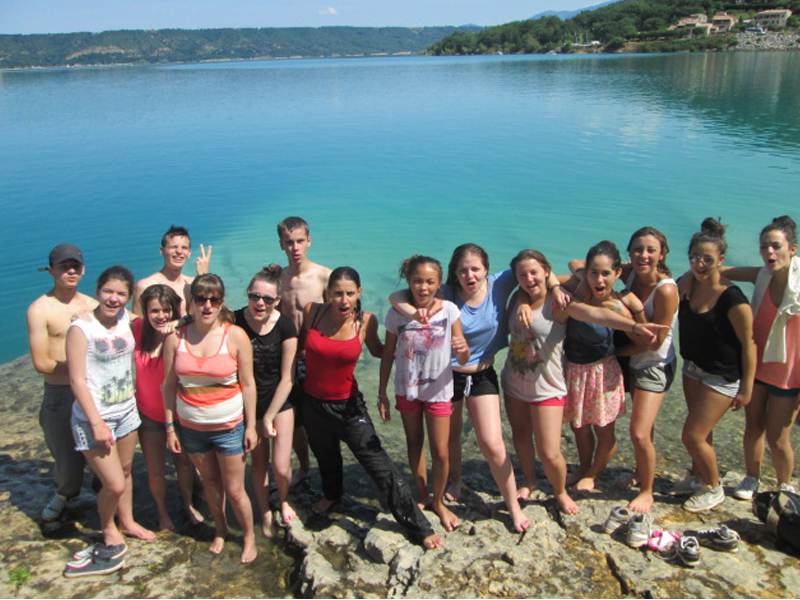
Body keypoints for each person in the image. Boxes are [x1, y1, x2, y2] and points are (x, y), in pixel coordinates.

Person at [505, 249, 662, 513]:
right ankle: (530, 481)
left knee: (550, 451)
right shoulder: (516, 298)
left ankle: (560, 491)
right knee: (521, 436)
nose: (529, 278)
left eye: (534, 272)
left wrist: (633, 326)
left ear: (547, 271)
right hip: (514, 381)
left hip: (549, 385)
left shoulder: (561, 302)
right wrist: (521, 299)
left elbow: (594, 314)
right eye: (522, 274)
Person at [390, 243, 531, 532]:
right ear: (454, 274)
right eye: (463, 270)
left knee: (492, 443)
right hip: (446, 376)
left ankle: (513, 508)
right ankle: (455, 480)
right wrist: (412, 313)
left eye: (475, 269)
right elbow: (399, 295)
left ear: (486, 270)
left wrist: (534, 298)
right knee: (449, 440)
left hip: (482, 375)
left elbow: (535, 271)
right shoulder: (447, 294)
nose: (470, 275)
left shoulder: (500, 284)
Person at [301, 267, 441, 549]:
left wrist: (406, 342)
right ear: (327, 294)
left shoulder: (366, 321)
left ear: (359, 294)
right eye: (337, 293)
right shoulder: (311, 312)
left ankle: (419, 526)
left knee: (380, 466)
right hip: (312, 402)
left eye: (349, 294)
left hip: (348, 407)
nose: (343, 300)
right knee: (326, 456)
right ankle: (332, 495)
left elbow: (378, 350)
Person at [64, 266, 154, 578]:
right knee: (113, 482)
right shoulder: (81, 328)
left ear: (129, 298)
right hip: (95, 417)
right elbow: (76, 380)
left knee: (127, 471)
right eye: (108, 292)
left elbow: (159, 322)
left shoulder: (128, 320)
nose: (113, 299)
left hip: (126, 410)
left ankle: (127, 521)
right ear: (98, 290)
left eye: (120, 294)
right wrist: (97, 422)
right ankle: (107, 527)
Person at [162, 274, 259, 563]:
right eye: (201, 299)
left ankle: (249, 536)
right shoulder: (175, 338)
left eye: (214, 299)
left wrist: (251, 425)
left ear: (221, 303)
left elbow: (248, 384)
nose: (207, 305)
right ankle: (220, 528)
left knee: (235, 489)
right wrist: (170, 427)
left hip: (229, 428)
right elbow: (168, 386)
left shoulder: (236, 336)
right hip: (191, 429)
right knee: (210, 484)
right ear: (190, 303)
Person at [378, 255, 469, 533]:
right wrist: (381, 392)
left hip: (440, 391)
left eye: (430, 282)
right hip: (408, 390)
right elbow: (388, 355)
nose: (423, 287)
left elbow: (463, 358)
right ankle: (421, 496)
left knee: (441, 452)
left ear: (439, 283)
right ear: (409, 282)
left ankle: (439, 501)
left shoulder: (450, 311)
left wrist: (462, 348)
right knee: (414, 444)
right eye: (418, 281)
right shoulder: (396, 314)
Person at [717, 216, 799, 499]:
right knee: (753, 427)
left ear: (793, 249)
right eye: (764, 247)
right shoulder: (760, 274)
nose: (769, 253)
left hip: (790, 375)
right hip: (757, 367)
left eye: (776, 246)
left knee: (778, 437)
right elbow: (720, 270)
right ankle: (752, 478)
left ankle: (784, 485)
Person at [678, 218, 756, 513]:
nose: (700, 264)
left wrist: (747, 388)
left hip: (722, 376)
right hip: (693, 368)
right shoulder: (688, 285)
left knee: (692, 435)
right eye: (695, 258)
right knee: (702, 431)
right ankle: (698, 476)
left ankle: (713, 487)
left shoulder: (732, 298)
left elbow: (749, 345)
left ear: (721, 260)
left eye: (707, 259)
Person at [562, 241, 648, 493]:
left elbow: (644, 343)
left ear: (618, 273)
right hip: (575, 370)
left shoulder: (619, 305)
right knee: (578, 426)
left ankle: (593, 473)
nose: (598, 279)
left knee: (603, 429)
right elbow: (559, 271)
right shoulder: (578, 289)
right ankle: (583, 466)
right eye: (593, 272)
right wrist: (570, 280)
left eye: (606, 273)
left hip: (603, 373)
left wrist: (638, 309)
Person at [27, 244, 97, 523]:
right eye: (64, 267)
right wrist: (78, 368)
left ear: (83, 270)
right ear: (51, 270)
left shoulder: (92, 305)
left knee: (100, 447)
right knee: (66, 454)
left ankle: (102, 491)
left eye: (75, 267)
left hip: (91, 389)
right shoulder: (39, 309)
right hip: (59, 391)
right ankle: (65, 493)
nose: (70, 271)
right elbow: (42, 363)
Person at [132, 284, 204, 530]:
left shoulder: (182, 332)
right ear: (145, 311)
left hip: (179, 413)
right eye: (154, 310)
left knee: (184, 463)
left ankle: (187, 505)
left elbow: (210, 313)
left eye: (166, 310)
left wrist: (181, 319)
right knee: (155, 470)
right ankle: (162, 513)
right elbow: (108, 314)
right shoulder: (137, 329)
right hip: (149, 414)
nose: (161, 316)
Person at [618, 228, 679, 513]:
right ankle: (641, 471)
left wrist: (613, 353)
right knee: (646, 427)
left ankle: (647, 491)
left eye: (651, 250)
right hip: (632, 359)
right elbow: (576, 265)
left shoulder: (665, 290)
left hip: (654, 364)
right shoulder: (629, 273)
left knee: (639, 432)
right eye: (638, 249)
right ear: (629, 253)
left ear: (662, 254)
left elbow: (654, 343)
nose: (644, 255)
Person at [234, 265, 298, 537]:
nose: (260, 303)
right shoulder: (234, 320)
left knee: (281, 467)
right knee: (259, 466)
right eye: (254, 296)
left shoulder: (285, 324)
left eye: (267, 299)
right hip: (247, 405)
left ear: (278, 301)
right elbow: (202, 312)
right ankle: (265, 511)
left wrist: (270, 416)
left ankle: (283, 500)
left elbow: (288, 378)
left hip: (279, 403)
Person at [276, 216, 332, 486]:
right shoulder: (278, 279)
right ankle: (305, 466)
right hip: (288, 359)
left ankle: (328, 468)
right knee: (295, 418)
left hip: (317, 360)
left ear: (309, 241)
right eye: (289, 242)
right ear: (281, 245)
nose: (295, 247)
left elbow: (343, 317)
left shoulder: (324, 276)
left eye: (300, 241)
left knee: (322, 419)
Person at [132, 225, 212, 316]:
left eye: (184, 248)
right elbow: (138, 326)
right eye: (174, 247)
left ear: (189, 254)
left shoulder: (192, 285)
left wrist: (204, 277)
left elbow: (211, 313)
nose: (179, 251)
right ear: (162, 251)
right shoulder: (145, 286)